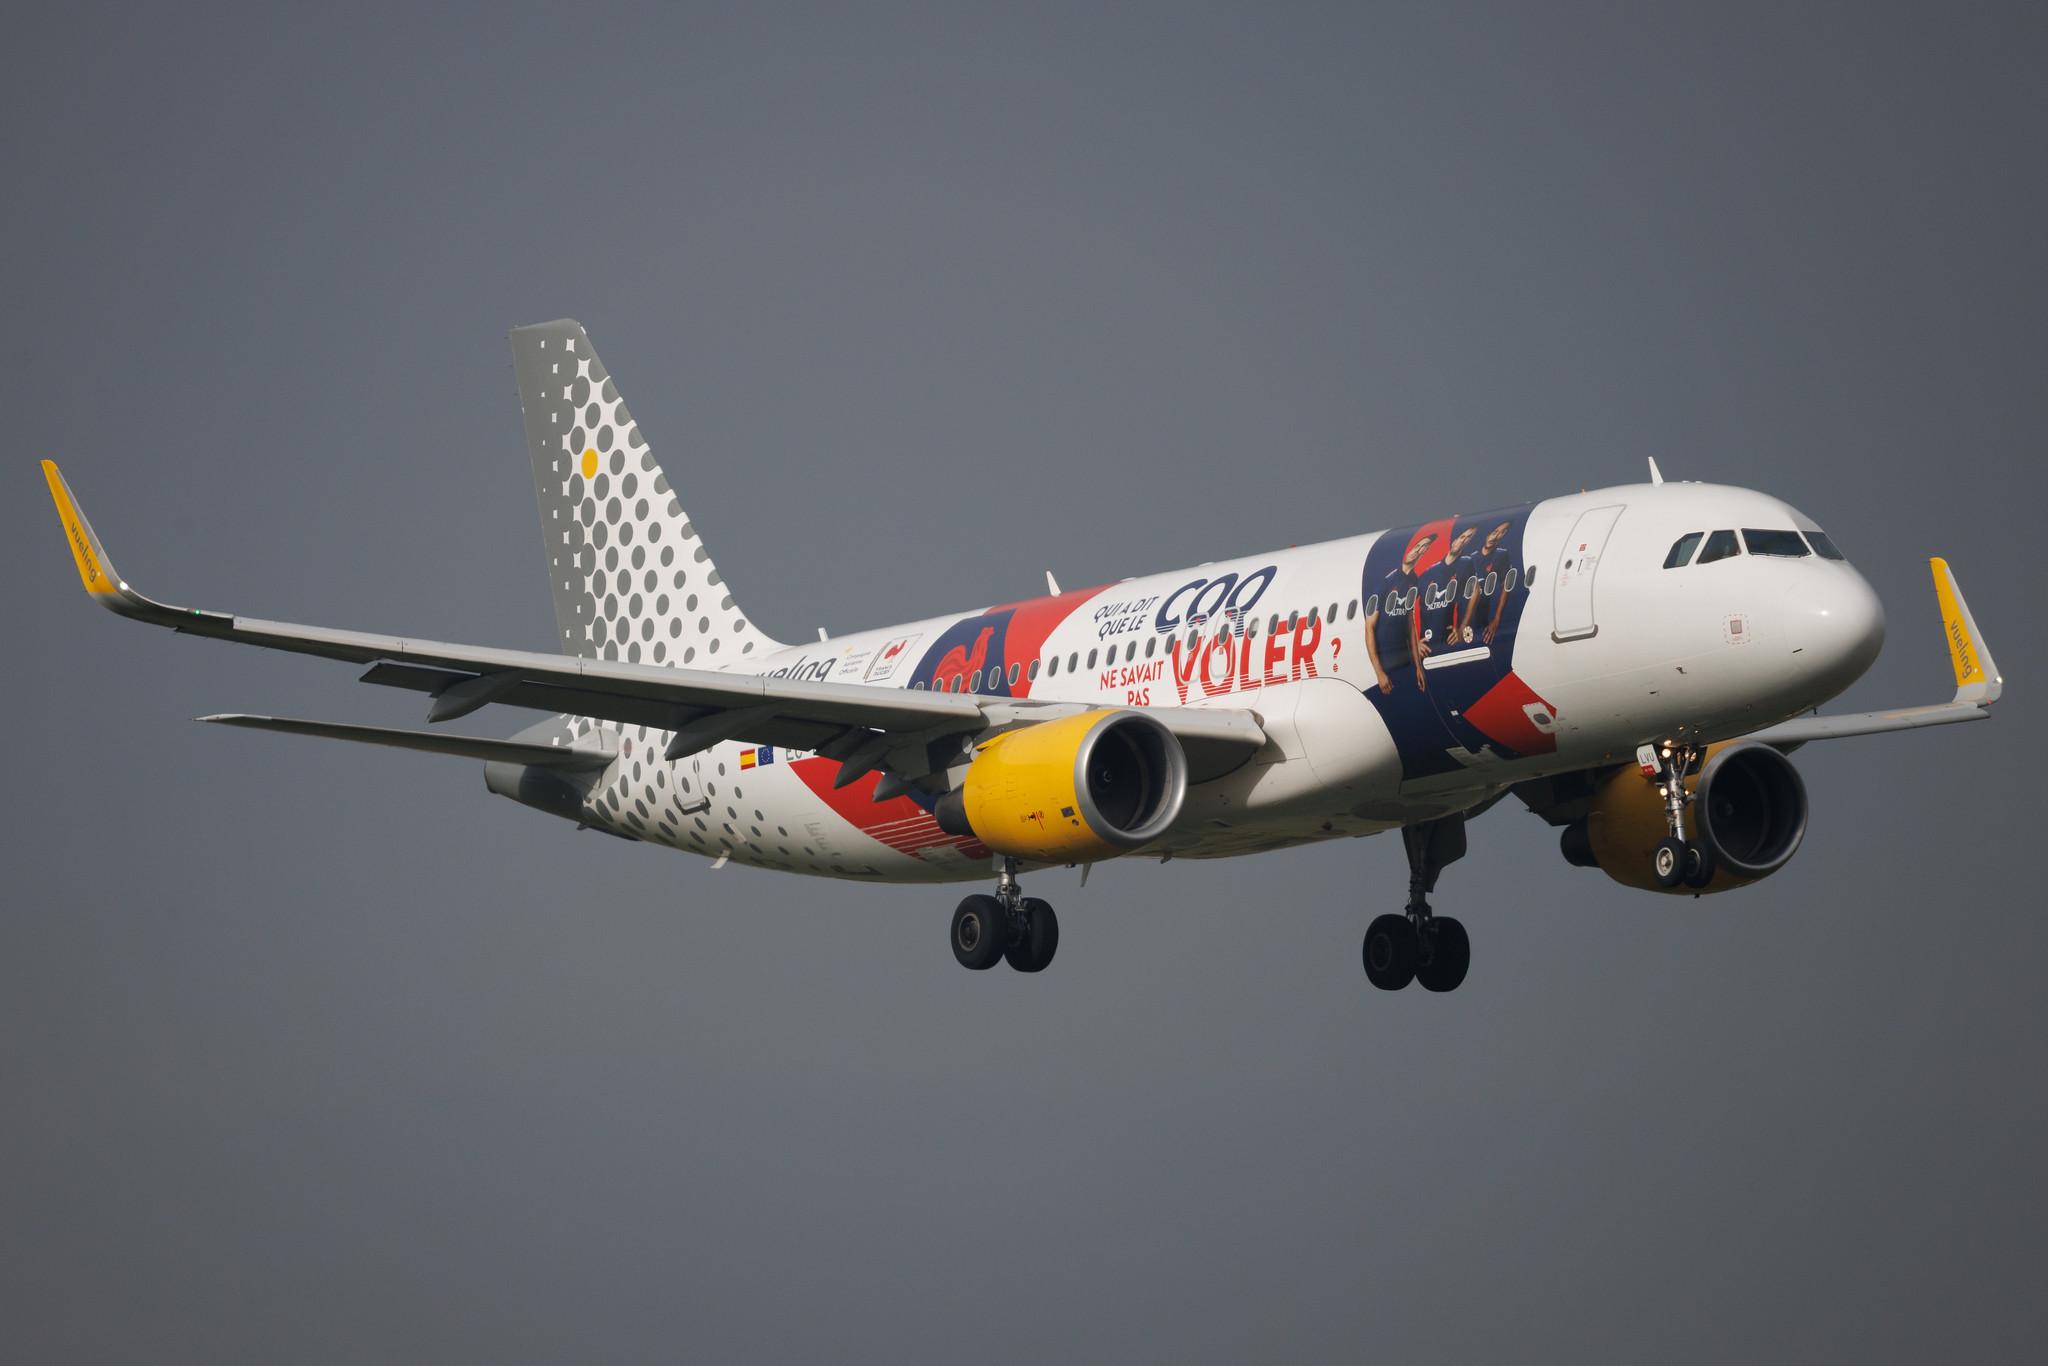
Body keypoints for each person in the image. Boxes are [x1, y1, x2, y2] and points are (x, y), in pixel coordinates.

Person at [1364, 531, 1435, 694]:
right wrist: (1379, 672)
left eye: (1423, 548)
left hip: (1405, 662)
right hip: (1386, 663)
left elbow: (1410, 623)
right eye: (1417, 546)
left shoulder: (1413, 581)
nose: (1418, 550)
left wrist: (1418, 667)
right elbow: (1369, 627)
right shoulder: (1386, 581)